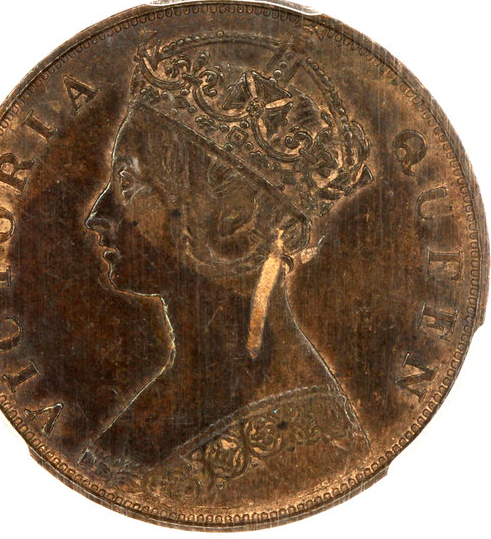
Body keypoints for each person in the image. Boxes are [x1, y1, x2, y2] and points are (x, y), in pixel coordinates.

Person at [80, 34, 372, 503]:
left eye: (128, 182)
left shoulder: (307, 441)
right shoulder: (178, 389)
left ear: (234, 222)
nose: (97, 216)